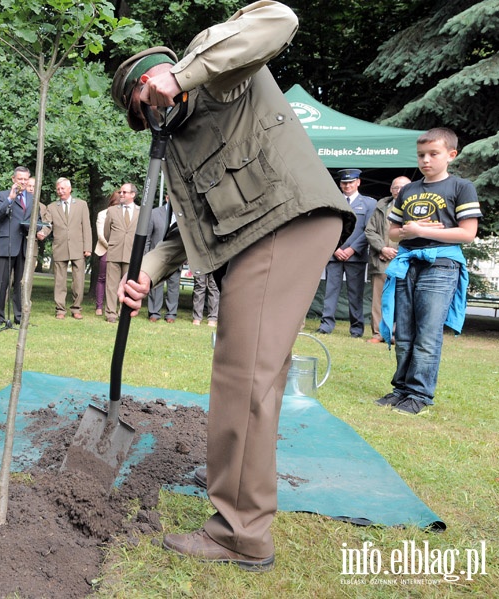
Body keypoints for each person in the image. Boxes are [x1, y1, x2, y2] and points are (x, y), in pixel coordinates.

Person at [111, 1, 354, 571]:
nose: (149, 121)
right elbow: (189, 231)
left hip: (285, 225)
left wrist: (183, 72)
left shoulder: (221, 74)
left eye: (144, 107)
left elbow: (281, 18)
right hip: (257, 241)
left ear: (155, 84)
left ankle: (239, 532)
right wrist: (148, 271)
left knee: (242, 378)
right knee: (254, 377)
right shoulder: (181, 146)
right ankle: (241, 497)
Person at [376, 127, 481, 415]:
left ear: (451, 155)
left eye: (433, 154)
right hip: (407, 263)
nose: (425, 160)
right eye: (421, 154)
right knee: (405, 331)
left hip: (441, 265)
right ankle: (401, 389)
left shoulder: (461, 187)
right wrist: (411, 232)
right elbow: (394, 233)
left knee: (427, 332)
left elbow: (468, 234)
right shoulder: (409, 189)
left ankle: (419, 394)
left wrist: (420, 229)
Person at [315, 169, 376, 337]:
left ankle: (356, 329)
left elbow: (369, 230)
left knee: (355, 293)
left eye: (350, 182)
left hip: (355, 256)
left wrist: (352, 249)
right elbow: (326, 228)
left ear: (358, 182)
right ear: (340, 184)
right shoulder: (333, 202)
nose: (347, 186)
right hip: (334, 255)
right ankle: (326, 325)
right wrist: (335, 249)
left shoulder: (369, 203)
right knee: (330, 291)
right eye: (344, 183)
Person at [0, 166, 47, 326]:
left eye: (25, 179)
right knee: (1, 283)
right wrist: (10, 198)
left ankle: (19, 316)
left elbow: (36, 220)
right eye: (20, 179)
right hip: (7, 244)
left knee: (20, 285)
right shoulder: (2, 195)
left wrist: (34, 227)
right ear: (13, 179)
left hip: (24, 246)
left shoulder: (32, 198)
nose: (22, 182)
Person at [364, 176, 409, 342]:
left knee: (402, 298)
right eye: (396, 187)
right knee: (379, 299)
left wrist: (395, 252)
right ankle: (379, 334)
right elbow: (370, 231)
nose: (399, 190)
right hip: (381, 259)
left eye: (404, 187)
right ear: (391, 189)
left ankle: (397, 334)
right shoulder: (381, 206)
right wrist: (382, 248)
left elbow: (414, 232)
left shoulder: (414, 208)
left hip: (403, 260)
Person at [45, 177, 92, 319]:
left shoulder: (82, 205)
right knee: (60, 281)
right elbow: (48, 225)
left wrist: (87, 247)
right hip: (60, 247)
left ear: (69, 188)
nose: (60, 191)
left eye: (62, 188)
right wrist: (42, 233)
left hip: (78, 247)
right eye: (58, 189)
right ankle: (60, 310)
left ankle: (76, 308)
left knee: (78, 280)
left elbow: (87, 227)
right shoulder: (52, 207)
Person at [103, 182, 139, 323]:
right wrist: (114, 243)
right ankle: (111, 313)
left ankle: (124, 312)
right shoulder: (112, 211)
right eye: (120, 192)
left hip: (131, 253)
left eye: (124, 192)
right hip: (114, 252)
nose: (121, 195)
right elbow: (107, 233)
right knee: (111, 285)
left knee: (128, 286)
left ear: (132, 194)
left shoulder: (140, 212)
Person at [145, 197, 180, 323]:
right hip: (157, 258)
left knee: (173, 288)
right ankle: (154, 312)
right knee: (155, 286)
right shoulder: (154, 213)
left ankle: (171, 314)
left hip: (175, 258)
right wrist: (147, 258)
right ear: (167, 198)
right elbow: (147, 238)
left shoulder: (183, 216)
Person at [93, 190, 119, 315]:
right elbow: (101, 235)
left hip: (121, 251)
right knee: (102, 278)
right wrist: (111, 247)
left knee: (119, 281)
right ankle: (99, 306)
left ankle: (117, 307)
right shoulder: (103, 214)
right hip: (105, 250)